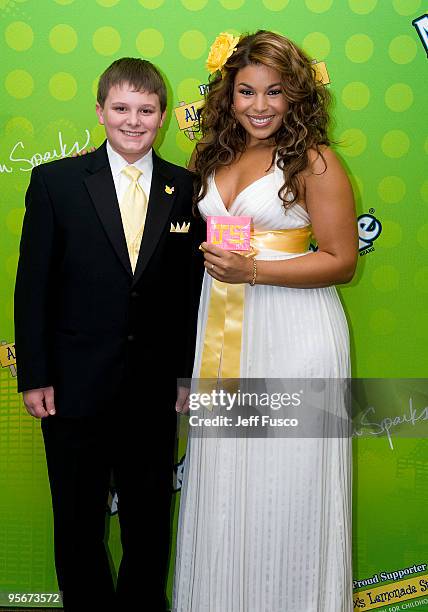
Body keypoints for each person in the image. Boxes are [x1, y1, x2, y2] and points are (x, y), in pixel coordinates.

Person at [173, 31, 357, 612]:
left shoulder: (316, 160)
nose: (259, 106)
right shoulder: (210, 155)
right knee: (226, 476)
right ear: (228, 94)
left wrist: (252, 272)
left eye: (274, 92)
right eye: (247, 91)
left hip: (294, 336)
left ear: (296, 96)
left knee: (288, 484)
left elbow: (341, 260)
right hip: (225, 332)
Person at [14, 57, 202, 612]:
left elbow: (189, 293)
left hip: (151, 391)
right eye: (121, 108)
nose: (134, 121)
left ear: (163, 115)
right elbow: (33, 287)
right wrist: (36, 375)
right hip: (72, 388)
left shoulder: (187, 188)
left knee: (148, 527)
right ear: (100, 112)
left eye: (146, 110)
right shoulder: (55, 182)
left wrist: (185, 374)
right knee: (77, 526)